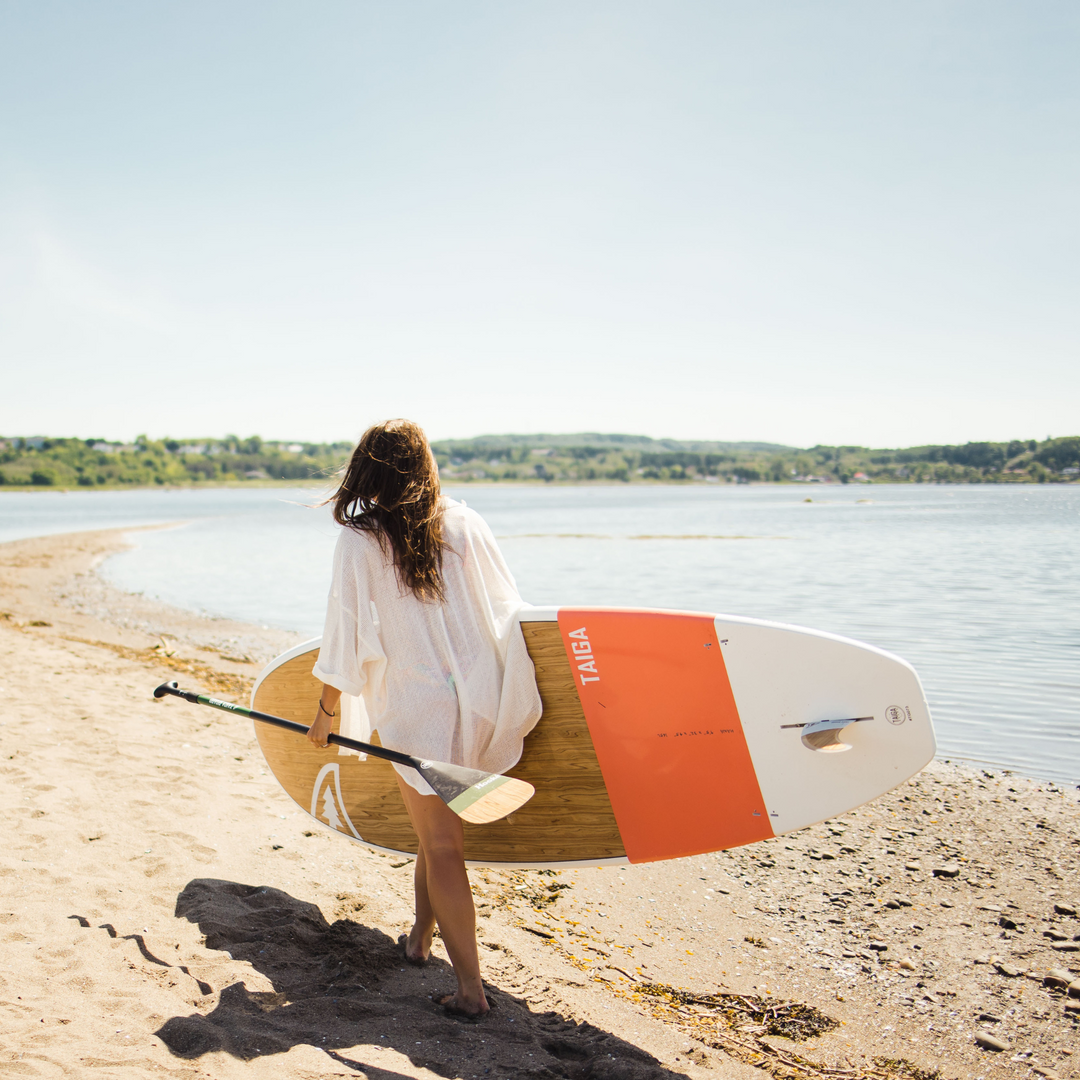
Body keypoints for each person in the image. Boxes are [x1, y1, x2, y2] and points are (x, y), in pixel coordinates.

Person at [305, 419, 541, 1019]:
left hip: (418, 710)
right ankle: (419, 938)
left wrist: (326, 714)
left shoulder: (361, 540)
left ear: (366, 470)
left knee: (441, 843)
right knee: (433, 835)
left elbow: (344, 638)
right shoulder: (465, 522)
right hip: (482, 700)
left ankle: (470, 992)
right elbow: (509, 609)